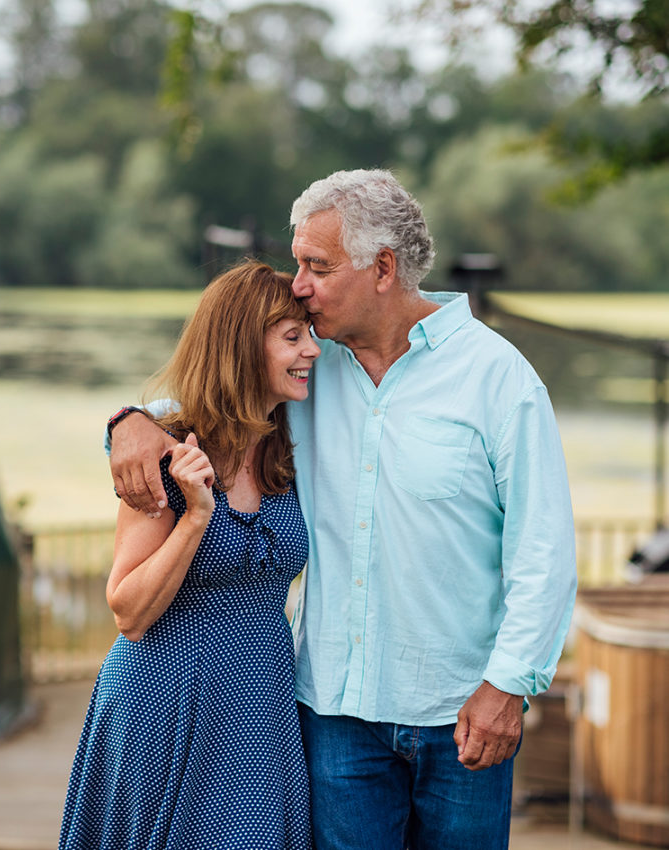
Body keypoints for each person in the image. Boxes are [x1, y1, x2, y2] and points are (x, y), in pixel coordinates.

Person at [107, 170, 577, 850]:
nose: (298, 284)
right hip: (332, 719)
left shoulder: (499, 377)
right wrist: (128, 423)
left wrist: (510, 684)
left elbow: (543, 550)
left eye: (316, 267)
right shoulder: (308, 363)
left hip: (463, 713)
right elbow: (211, 400)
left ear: (382, 267)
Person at [59, 261, 319, 850]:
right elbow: (127, 611)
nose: (313, 351)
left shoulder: (289, 443)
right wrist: (197, 517)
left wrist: (124, 417)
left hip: (260, 710)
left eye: (310, 333)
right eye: (292, 336)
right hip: (167, 702)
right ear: (240, 346)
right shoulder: (167, 453)